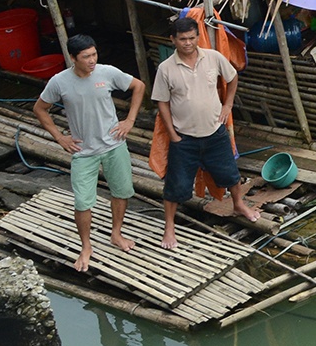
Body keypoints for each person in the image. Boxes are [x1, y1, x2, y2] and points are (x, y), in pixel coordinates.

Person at [32, 33, 144, 273]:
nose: (92, 60)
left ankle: (116, 233)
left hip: (114, 144)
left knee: (121, 191)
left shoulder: (107, 73)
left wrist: (129, 120)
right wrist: (60, 137)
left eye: (94, 54)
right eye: (86, 57)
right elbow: (40, 108)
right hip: (84, 151)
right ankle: (86, 246)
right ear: (73, 58)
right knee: (83, 202)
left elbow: (138, 86)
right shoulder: (59, 82)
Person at [153, 14, 261, 248]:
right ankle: (169, 229)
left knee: (230, 174)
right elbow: (162, 102)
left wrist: (228, 105)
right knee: (176, 186)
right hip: (184, 138)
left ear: (198, 36)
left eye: (192, 38)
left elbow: (232, 78)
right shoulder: (165, 69)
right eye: (183, 39)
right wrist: (172, 134)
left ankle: (238, 204)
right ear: (173, 39)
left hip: (215, 132)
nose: (188, 43)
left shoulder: (213, 57)